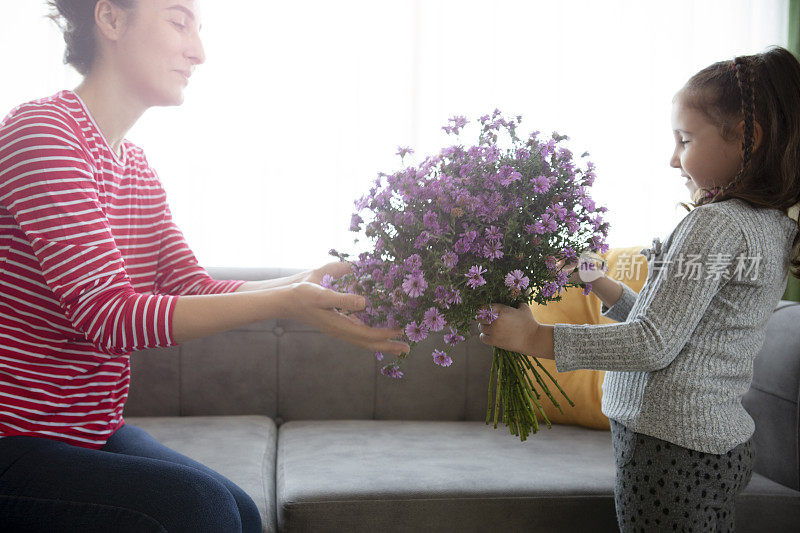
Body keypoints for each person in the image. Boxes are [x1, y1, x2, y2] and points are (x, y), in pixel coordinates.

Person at [0, 1, 409, 531]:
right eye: (178, 21)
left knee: (239, 510)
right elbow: (108, 315)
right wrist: (288, 301)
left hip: (88, 431)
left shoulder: (135, 167)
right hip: (14, 440)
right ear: (112, 19)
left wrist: (303, 283)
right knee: (201, 511)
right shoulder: (42, 134)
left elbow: (190, 286)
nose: (198, 51)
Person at [478, 46, 800, 532]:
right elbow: (677, 330)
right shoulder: (769, 226)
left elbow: (652, 343)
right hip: (711, 445)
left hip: (669, 450)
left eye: (685, 139)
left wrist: (533, 338)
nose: (674, 159)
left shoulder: (714, 225)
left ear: (748, 139)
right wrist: (598, 282)